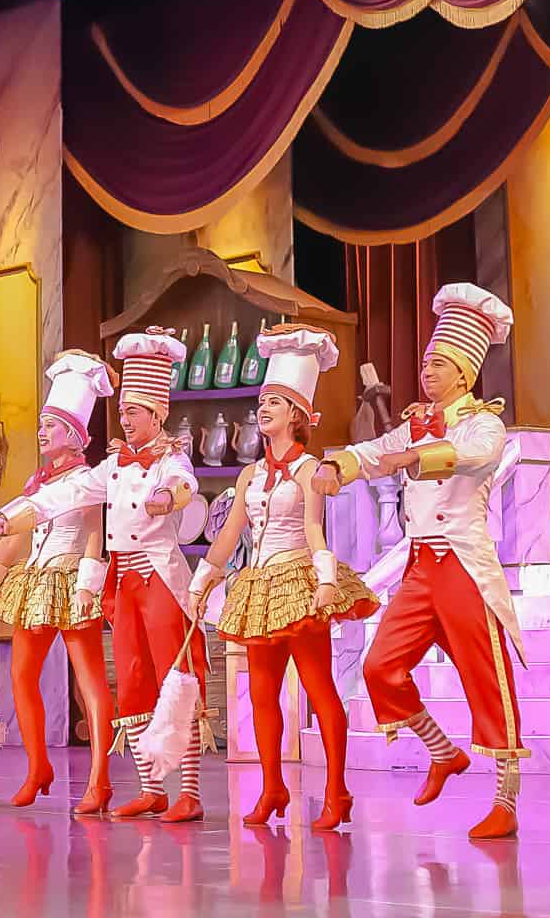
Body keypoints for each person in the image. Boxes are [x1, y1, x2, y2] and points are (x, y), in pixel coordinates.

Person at [313, 284, 526, 840]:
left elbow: (476, 455)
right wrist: (340, 465)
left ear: (464, 372)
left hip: (462, 566)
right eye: (427, 361)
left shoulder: (484, 423)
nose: (427, 370)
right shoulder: (414, 421)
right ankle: (442, 751)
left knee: (487, 678)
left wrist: (414, 454)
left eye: (439, 362)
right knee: (380, 666)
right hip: (419, 568)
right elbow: (373, 451)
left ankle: (506, 799)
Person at [6, 328, 206, 822]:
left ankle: (191, 793)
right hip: (124, 585)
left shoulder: (171, 457)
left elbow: (185, 484)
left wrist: (168, 498)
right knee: (133, 681)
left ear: (157, 414)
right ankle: (151, 788)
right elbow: (66, 494)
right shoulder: (111, 466)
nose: (126, 419)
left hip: (160, 579)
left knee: (175, 680)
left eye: (134, 412)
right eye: (123, 412)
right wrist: (17, 514)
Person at [191, 326, 377, 830]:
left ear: (297, 414)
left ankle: (337, 791)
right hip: (257, 583)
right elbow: (230, 534)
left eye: (274, 401)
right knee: (260, 693)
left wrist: (324, 580)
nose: (264, 408)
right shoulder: (249, 475)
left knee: (318, 687)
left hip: (298, 578)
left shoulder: (311, 469)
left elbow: (315, 529)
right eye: (262, 400)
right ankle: (272, 787)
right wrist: (201, 581)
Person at [0, 350, 117, 814]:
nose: (41, 432)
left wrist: (86, 587)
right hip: (34, 583)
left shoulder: (89, 480)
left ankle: (100, 779)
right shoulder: (36, 482)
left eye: (50, 426)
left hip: (70, 581)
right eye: (41, 424)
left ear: (75, 437)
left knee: (89, 681)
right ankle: (38, 765)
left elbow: (95, 538)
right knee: (21, 675)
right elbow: (17, 535)